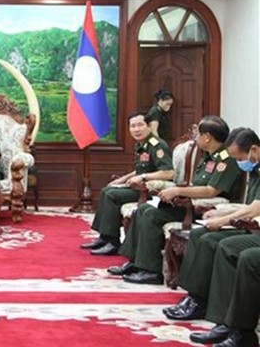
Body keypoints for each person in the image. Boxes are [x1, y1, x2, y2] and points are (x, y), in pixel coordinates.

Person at [110, 115, 242, 285]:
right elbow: (194, 184)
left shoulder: (225, 159)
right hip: (186, 201)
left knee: (151, 216)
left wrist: (178, 191)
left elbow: (211, 191)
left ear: (207, 137)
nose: (195, 138)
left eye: (198, 134)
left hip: (201, 209)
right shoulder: (209, 156)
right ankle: (136, 262)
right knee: (143, 210)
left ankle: (151, 271)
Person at [160, 128, 260, 346]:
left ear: (253, 149)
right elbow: (251, 206)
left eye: (240, 159)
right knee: (203, 236)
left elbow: (254, 208)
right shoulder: (257, 167)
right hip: (250, 223)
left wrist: (223, 220)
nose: (241, 164)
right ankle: (198, 299)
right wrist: (224, 214)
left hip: (253, 226)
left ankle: (229, 323)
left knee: (229, 248)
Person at [81, 111, 174, 255]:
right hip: (139, 186)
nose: (136, 129)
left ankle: (112, 242)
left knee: (112, 195)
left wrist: (143, 177)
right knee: (107, 189)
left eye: (140, 125)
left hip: (151, 191)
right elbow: (139, 169)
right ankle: (104, 237)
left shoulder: (157, 145)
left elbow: (168, 172)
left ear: (149, 126)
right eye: (133, 126)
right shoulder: (141, 144)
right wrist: (123, 178)